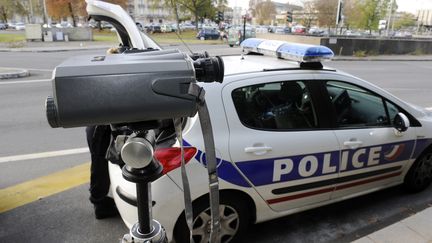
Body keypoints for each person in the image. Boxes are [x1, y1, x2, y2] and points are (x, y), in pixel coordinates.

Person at [86, 125, 119, 219]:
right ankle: (99, 202)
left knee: (99, 162)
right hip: (101, 127)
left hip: (97, 124)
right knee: (100, 164)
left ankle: (99, 199)